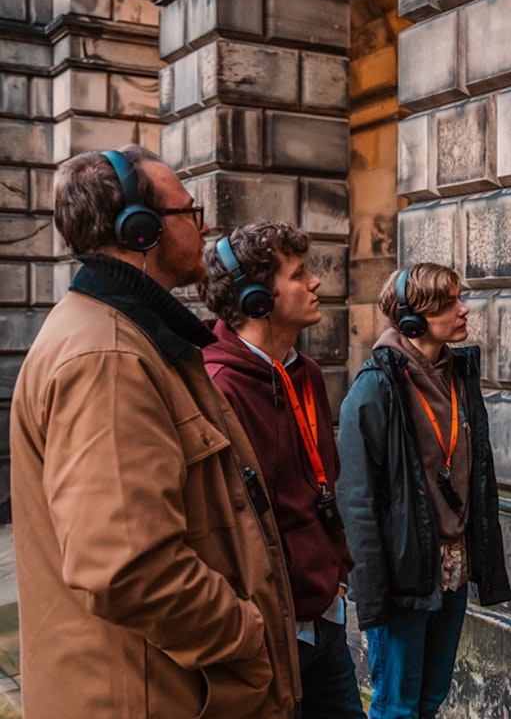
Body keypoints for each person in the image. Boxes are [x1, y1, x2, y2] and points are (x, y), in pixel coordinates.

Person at [9, 146, 301, 717]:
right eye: (189, 213)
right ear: (139, 230)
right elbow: (126, 567)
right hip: (148, 695)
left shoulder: (121, 336)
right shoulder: (108, 357)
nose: (204, 227)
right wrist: (249, 638)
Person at [199, 221, 363, 718]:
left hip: (326, 616)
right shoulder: (218, 386)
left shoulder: (306, 371)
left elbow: (325, 481)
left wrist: (337, 575)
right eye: (298, 274)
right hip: (270, 632)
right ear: (256, 299)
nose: (315, 281)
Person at [337, 263, 511, 719]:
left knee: (431, 698)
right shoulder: (375, 387)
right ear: (415, 320)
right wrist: (372, 594)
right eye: (450, 303)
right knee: (397, 707)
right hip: (403, 576)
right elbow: (356, 500)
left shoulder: (458, 374)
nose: (464, 309)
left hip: (452, 567)